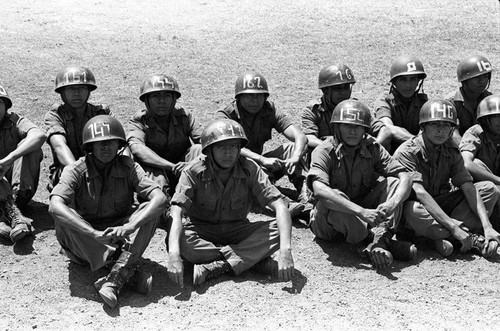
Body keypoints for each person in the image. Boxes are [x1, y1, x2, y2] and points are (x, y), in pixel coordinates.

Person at [48, 115, 168, 308]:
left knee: (150, 210)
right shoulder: (75, 170)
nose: (105, 148)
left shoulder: (129, 166)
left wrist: (131, 226)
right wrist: (93, 233)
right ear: (90, 147)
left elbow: (160, 199)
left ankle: (115, 277)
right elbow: (55, 205)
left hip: (120, 234)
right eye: (99, 143)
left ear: (119, 145)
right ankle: (126, 269)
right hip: (85, 241)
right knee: (63, 215)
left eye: (110, 142)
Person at [166, 119, 294, 287]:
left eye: (233, 147)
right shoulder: (193, 171)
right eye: (221, 147)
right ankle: (251, 260)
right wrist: (174, 255)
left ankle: (221, 266)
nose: (228, 153)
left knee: (280, 229)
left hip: (238, 229)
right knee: (181, 242)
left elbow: (280, 205)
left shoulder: (250, 168)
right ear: (209, 150)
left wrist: (286, 250)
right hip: (202, 230)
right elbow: (176, 211)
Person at [308, 99, 416, 269]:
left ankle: (379, 239)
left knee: (394, 182)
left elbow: (405, 176)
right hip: (327, 222)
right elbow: (319, 190)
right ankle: (375, 243)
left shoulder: (372, 147)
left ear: (365, 130)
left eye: (358, 127)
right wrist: (362, 212)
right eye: (347, 126)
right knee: (336, 195)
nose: (353, 131)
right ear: (337, 128)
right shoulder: (323, 150)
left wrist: (392, 204)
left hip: (363, 208)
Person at [393, 99, 500, 258]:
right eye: (435, 124)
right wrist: (453, 227)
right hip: (415, 207)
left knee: (488, 189)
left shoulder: (450, 148)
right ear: (423, 127)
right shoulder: (407, 152)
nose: (441, 130)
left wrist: (487, 226)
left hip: (442, 203)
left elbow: (467, 186)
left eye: (446, 125)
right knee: (413, 211)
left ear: (452, 129)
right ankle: (467, 238)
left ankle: (437, 238)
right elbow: (421, 194)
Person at [216, 71, 309, 216]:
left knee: (291, 148)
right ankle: (283, 204)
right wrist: (262, 159)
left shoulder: (269, 110)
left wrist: (296, 156)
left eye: (259, 95)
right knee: (246, 163)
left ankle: (305, 193)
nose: (255, 100)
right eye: (249, 95)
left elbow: (300, 136)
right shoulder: (226, 116)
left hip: (260, 166)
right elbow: (232, 147)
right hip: (235, 170)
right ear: (239, 97)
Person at [127, 74, 202, 197]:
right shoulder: (139, 120)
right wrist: (172, 167)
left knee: (198, 149)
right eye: (156, 96)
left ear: (174, 99)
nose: (161, 101)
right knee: (156, 177)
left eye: (167, 96)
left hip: (184, 168)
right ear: (146, 100)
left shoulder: (184, 115)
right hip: (156, 170)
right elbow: (137, 148)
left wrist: (190, 165)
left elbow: (207, 142)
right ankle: (162, 210)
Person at [44, 66, 112, 192]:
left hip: (102, 166)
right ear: (62, 92)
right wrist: (81, 174)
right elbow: (59, 146)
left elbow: (117, 144)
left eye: (81, 88)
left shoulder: (101, 113)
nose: (76, 93)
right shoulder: (55, 115)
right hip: (68, 169)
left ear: (89, 91)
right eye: (70, 89)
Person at [301, 63, 392, 153]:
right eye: (337, 88)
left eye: (346, 87)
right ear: (326, 91)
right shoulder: (313, 110)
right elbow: (309, 138)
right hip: (328, 157)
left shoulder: (356, 108)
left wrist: (369, 148)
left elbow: (385, 131)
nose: (343, 92)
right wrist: (335, 150)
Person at [0, 85, 46, 242]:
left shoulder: (15, 121)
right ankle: (14, 218)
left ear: (6, 106)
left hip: (17, 191)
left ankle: (9, 210)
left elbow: (39, 135)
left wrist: (10, 158)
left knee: (30, 148)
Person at [373, 55, 428, 153]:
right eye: (403, 80)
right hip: (390, 154)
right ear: (394, 82)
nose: (408, 85)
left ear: (418, 81)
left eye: (412, 79)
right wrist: (416, 141)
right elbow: (388, 127)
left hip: (416, 153)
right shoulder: (385, 100)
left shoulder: (423, 103)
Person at [446, 55, 493, 144]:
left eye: (485, 76)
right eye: (477, 77)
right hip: (458, 148)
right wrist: (467, 151)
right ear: (465, 80)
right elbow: (452, 134)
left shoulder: (489, 100)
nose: (482, 81)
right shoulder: (451, 102)